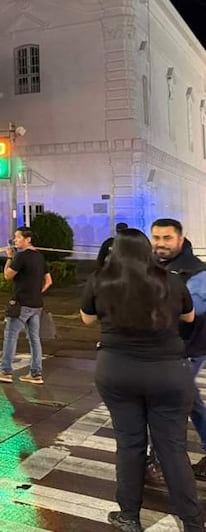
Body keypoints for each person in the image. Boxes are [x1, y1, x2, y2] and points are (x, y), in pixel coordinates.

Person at [81, 228, 204, 532]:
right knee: (172, 447)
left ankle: (130, 516)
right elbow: (189, 318)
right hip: (168, 373)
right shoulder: (171, 281)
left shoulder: (100, 281)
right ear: (148, 251)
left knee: (129, 444)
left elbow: (87, 318)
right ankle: (192, 523)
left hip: (117, 371)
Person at [150, 219, 206, 481]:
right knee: (191, 401)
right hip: (164, 349)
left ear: (180, 240)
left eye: (167, 238)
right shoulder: (156, 267)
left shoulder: (197, 272)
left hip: (186, 349)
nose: (160, 243)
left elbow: (190, 313)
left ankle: (159, 461)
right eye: (156, 237)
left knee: (166, 405)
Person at [0, 226, 52, 384]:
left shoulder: (21, 257)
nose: (15, 240)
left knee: (10, 336)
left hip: (21, 304)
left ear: (27, 239)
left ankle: (5, 371)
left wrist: (9, 257)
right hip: (36, 304)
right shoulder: (40, 257)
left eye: (18, 237)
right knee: (34, 339)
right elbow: (49, 281)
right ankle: (36, 373)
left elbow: (7, 275)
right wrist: (36, 292)